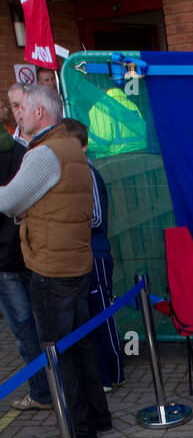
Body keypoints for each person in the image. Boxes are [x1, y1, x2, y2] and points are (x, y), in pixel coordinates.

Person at [0, 84, 111, 438]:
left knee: (58, 353)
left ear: (39, 113)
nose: (18, 115)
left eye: (23, 108)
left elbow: (9, 201)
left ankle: (79, 431)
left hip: (52, 269)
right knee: (81, 346)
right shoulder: (69, 148)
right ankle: (98, 418)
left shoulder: (45, 153)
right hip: (75, 262)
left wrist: (21, 208)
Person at [62, 118, 124, 389]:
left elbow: (96, 217)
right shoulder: (69, 172)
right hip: (78, 256)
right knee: (87, 317)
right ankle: (97, 373)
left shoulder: (86, 172)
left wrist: (63, 222)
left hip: (96, 255)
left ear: (80, 145)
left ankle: (113, 373)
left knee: (102, 314)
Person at [0, 121, 52, 410]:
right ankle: (56, 386)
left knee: (24, 330)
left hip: (8, 258)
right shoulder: (23, 151)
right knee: (41, 322)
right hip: (29, 249)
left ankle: (43, 392)